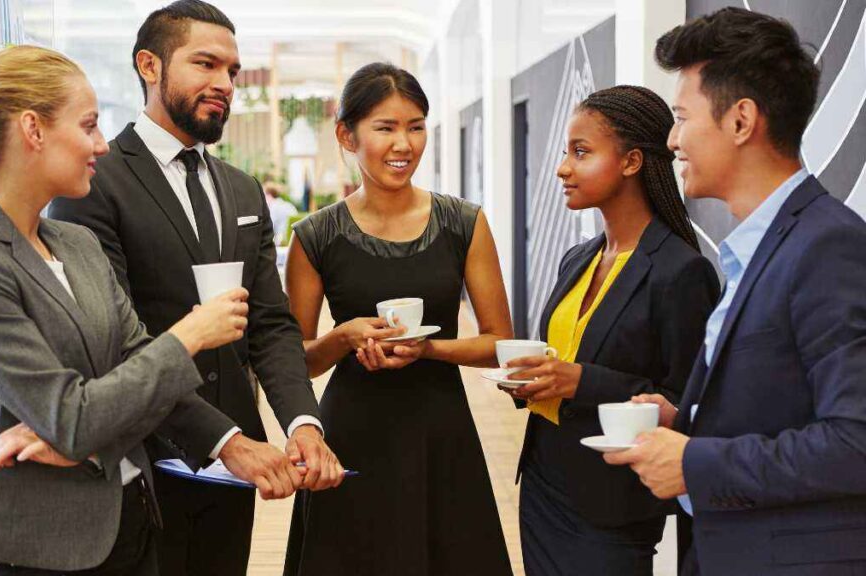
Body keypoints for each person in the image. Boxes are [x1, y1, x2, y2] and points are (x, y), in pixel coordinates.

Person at [0, 45, 251, 575]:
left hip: (133, 524)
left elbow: (129, 374)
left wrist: (87, 438)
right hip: (43, 552)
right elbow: (73, 415)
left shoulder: (76, 243)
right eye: (90, 125)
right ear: (33, 129)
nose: (101, 145)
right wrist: (189, 334)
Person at [47, 2, 343, 575]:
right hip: (144, 464)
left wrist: (302, 424)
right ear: (149, 66)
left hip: (237, 471)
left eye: (232, 71)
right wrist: (223, 440)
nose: (224, 83)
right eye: (205, 64)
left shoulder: (242, 190)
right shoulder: (93, 184)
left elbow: (272, 326)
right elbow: (110, 344)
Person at [604, 8, 866, 575]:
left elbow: (855, 444)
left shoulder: (828, 247)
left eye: (681, 117)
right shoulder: (756, 246)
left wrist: (696, 462)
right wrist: (687, 421)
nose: (671, 141)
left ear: (742, 120)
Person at [282, 62, 515, 576]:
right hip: (351, 431)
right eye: (385, 128)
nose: (403, 144)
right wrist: (342, 337)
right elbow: (295, 362)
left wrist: (428, 349)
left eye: (415, 126)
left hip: (441, 428)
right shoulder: (315, 236)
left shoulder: (464, 222)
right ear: (347, 135)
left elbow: (500, 341)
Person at [500, 85, 719, 575]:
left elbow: (688, 402)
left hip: (614, 502)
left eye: (581, 152)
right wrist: (531, 381)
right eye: (566, 152)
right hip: (543, 481)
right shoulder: (577, 259)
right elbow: (561, 361)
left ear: (632, 161)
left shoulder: (681, 271)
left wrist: (580, 381)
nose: (563, 168)